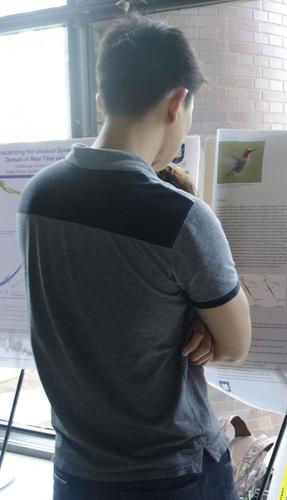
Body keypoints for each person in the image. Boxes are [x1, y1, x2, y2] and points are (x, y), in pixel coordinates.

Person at [17, 17, 251, 500]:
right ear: (176, 102)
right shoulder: (178, 216)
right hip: (172, 474)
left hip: (77, 470)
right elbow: (235, 343)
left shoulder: (37, 196)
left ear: (102, 101)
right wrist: (202, 323)